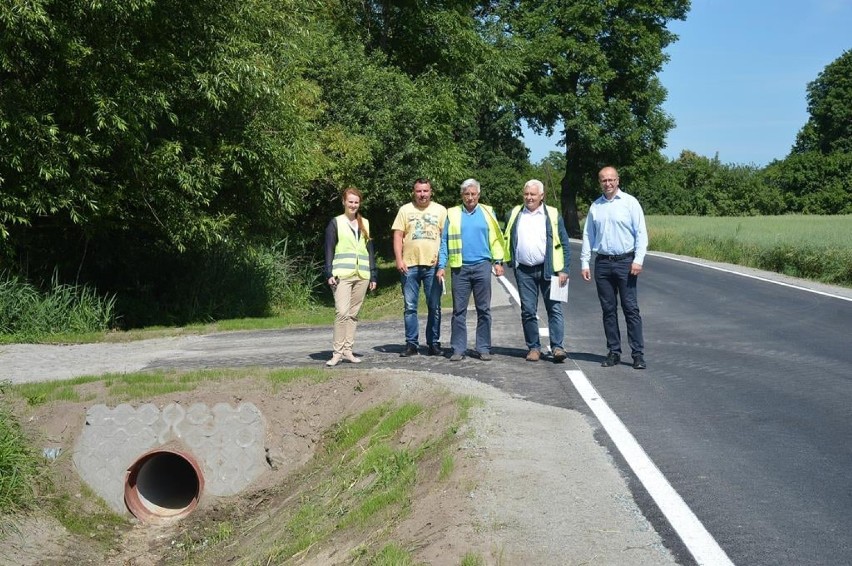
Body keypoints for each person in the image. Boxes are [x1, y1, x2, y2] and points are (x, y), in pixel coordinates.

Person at [580, 166, 648, 370]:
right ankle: (613, 351)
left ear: (618, 180)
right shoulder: (596, 206)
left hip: (625, 262)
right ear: (599, 182)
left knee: (630, 309)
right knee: (608, 310)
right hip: (602, 263)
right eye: (604, 180)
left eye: (611, 180)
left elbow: (641, 233)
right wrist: (585, 262)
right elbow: (587, 235)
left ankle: (637, 354)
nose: (607, 183)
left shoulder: (629, 203)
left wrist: (638, 260)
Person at [436, 179, 506, 362]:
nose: (470, 197)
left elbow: (496, 239)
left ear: (478, 195)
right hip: (460, 267)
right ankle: (458, 348)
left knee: (484, 309)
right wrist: (441, 266)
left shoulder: (488, 212)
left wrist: (498, 262)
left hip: (482, 265)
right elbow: (444, 242)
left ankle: (483, 347)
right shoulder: (452, 213)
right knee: (459, 311)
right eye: (466, 194)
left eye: (473, 194)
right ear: (462, 195)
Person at [503, 179, 570, 363]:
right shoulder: (514, 213)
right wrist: (503, 261)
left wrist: (564, 269)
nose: (529, 197)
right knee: (528, 311)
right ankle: (534, 348)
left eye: (533, 194)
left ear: (542, 196)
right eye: (526, 194)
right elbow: (506, 238)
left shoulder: (553, 214)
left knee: (554, 309)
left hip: (551, 270)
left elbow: (564, 243)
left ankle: (557, 347)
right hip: (524, 271)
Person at [392, 178, 448, 357]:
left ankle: (433, 343)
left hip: (432, 265)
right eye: (418, 191)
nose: (422, 194)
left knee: (434, 306)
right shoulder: (405, 210)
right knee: (410, 307)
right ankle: (411, 344)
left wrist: (442, 264)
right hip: (410, 265)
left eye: (425, 191)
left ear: (431, 192)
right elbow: (398, 236)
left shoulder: (440, 210)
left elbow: (444, 238)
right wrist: (399, 260)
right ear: (413, 192)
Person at [323, 187, 378, 367]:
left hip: (362, 274)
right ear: (344, 202)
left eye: (356, 202)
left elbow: (370, 251)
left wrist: (373, 275)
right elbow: (329, 248)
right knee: (342, 313)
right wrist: (329, 272)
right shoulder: (336, 222)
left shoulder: (366, 223)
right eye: (350, 201)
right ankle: (337, 352)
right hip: (342, 275)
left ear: (359, 203)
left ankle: (348, 350)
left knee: (353, 314)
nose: (353, 205)